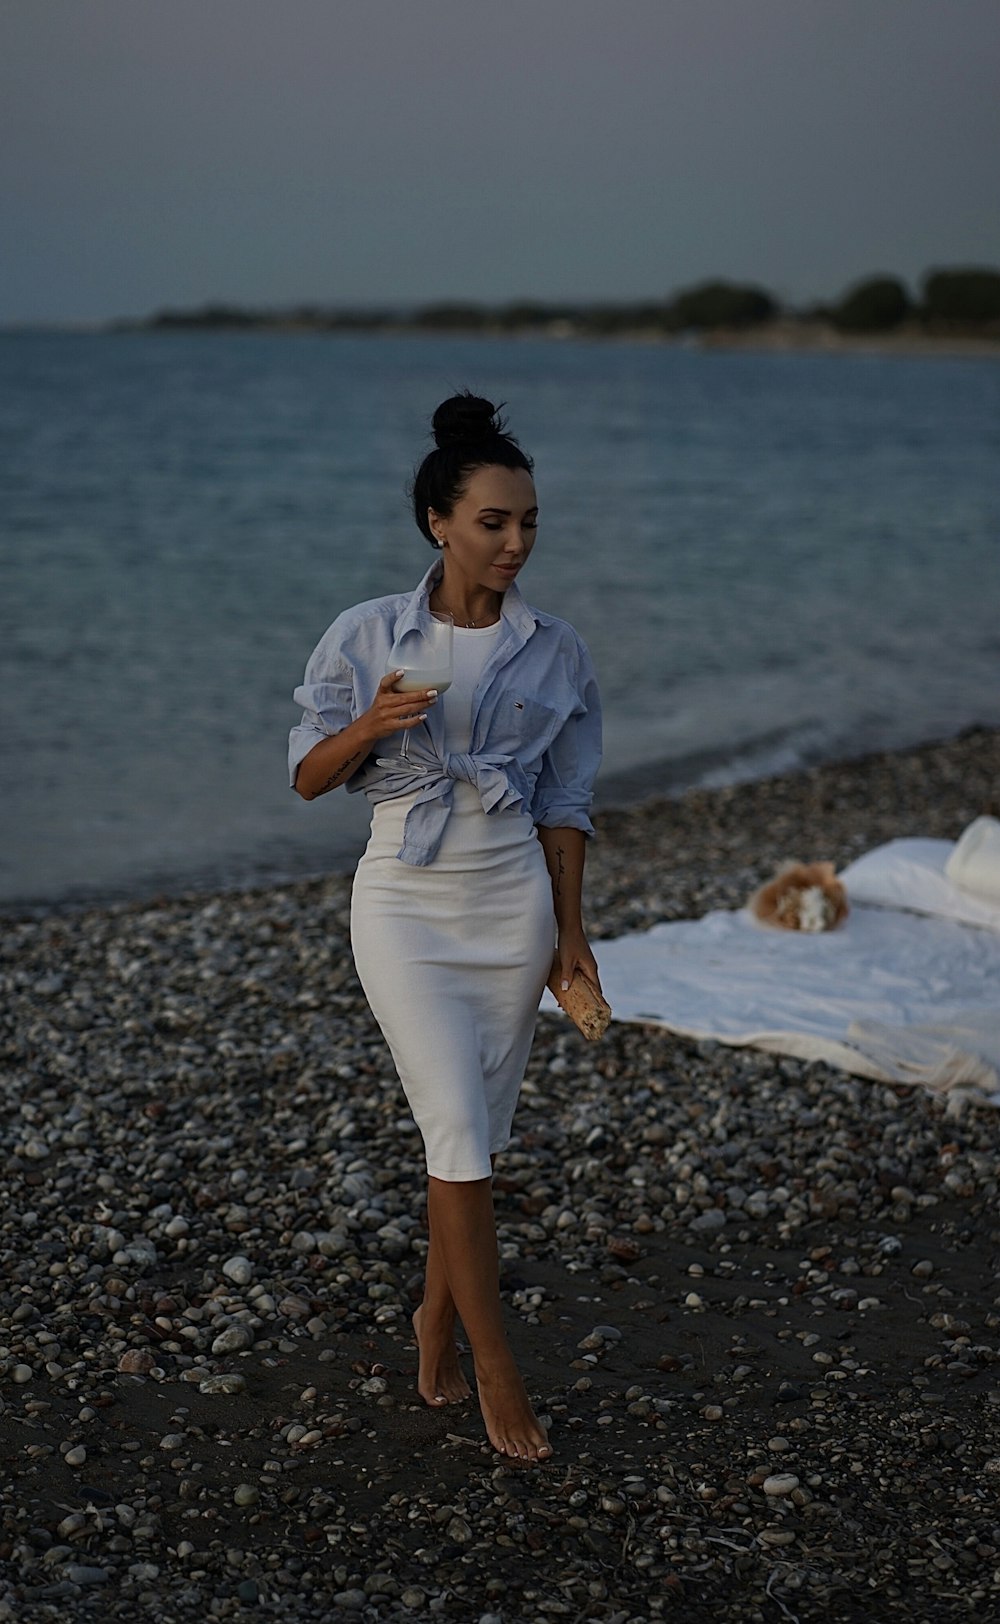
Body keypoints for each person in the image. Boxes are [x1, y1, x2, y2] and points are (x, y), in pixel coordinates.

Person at [288, 392, 602, 1463]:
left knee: (463, 1133)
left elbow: (565, 811)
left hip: (508, 904)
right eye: (492, 522)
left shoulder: (556, 652)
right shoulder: (370, 633)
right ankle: (495, 1360)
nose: (515, 542)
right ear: (438, 521)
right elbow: (306, 778)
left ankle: (434, 1315)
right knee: (458, 1133)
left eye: (527, 524)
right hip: (404, 902)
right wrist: (371, 723)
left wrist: (572, 943)